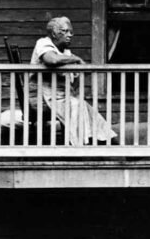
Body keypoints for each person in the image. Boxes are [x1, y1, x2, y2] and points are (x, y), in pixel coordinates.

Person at [30, 16, 116, 145]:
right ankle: (79, 148)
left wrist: (78, 74)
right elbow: (51, 59)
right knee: (77, 105)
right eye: (65, 31)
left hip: (59, 98)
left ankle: (117, 147)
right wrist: (76, 59)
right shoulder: (43, 43)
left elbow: (73, 86)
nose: (70, 35)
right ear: (54, 33)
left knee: (90, 111)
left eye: (71, 32)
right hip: (41, 98)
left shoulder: (66, 53)